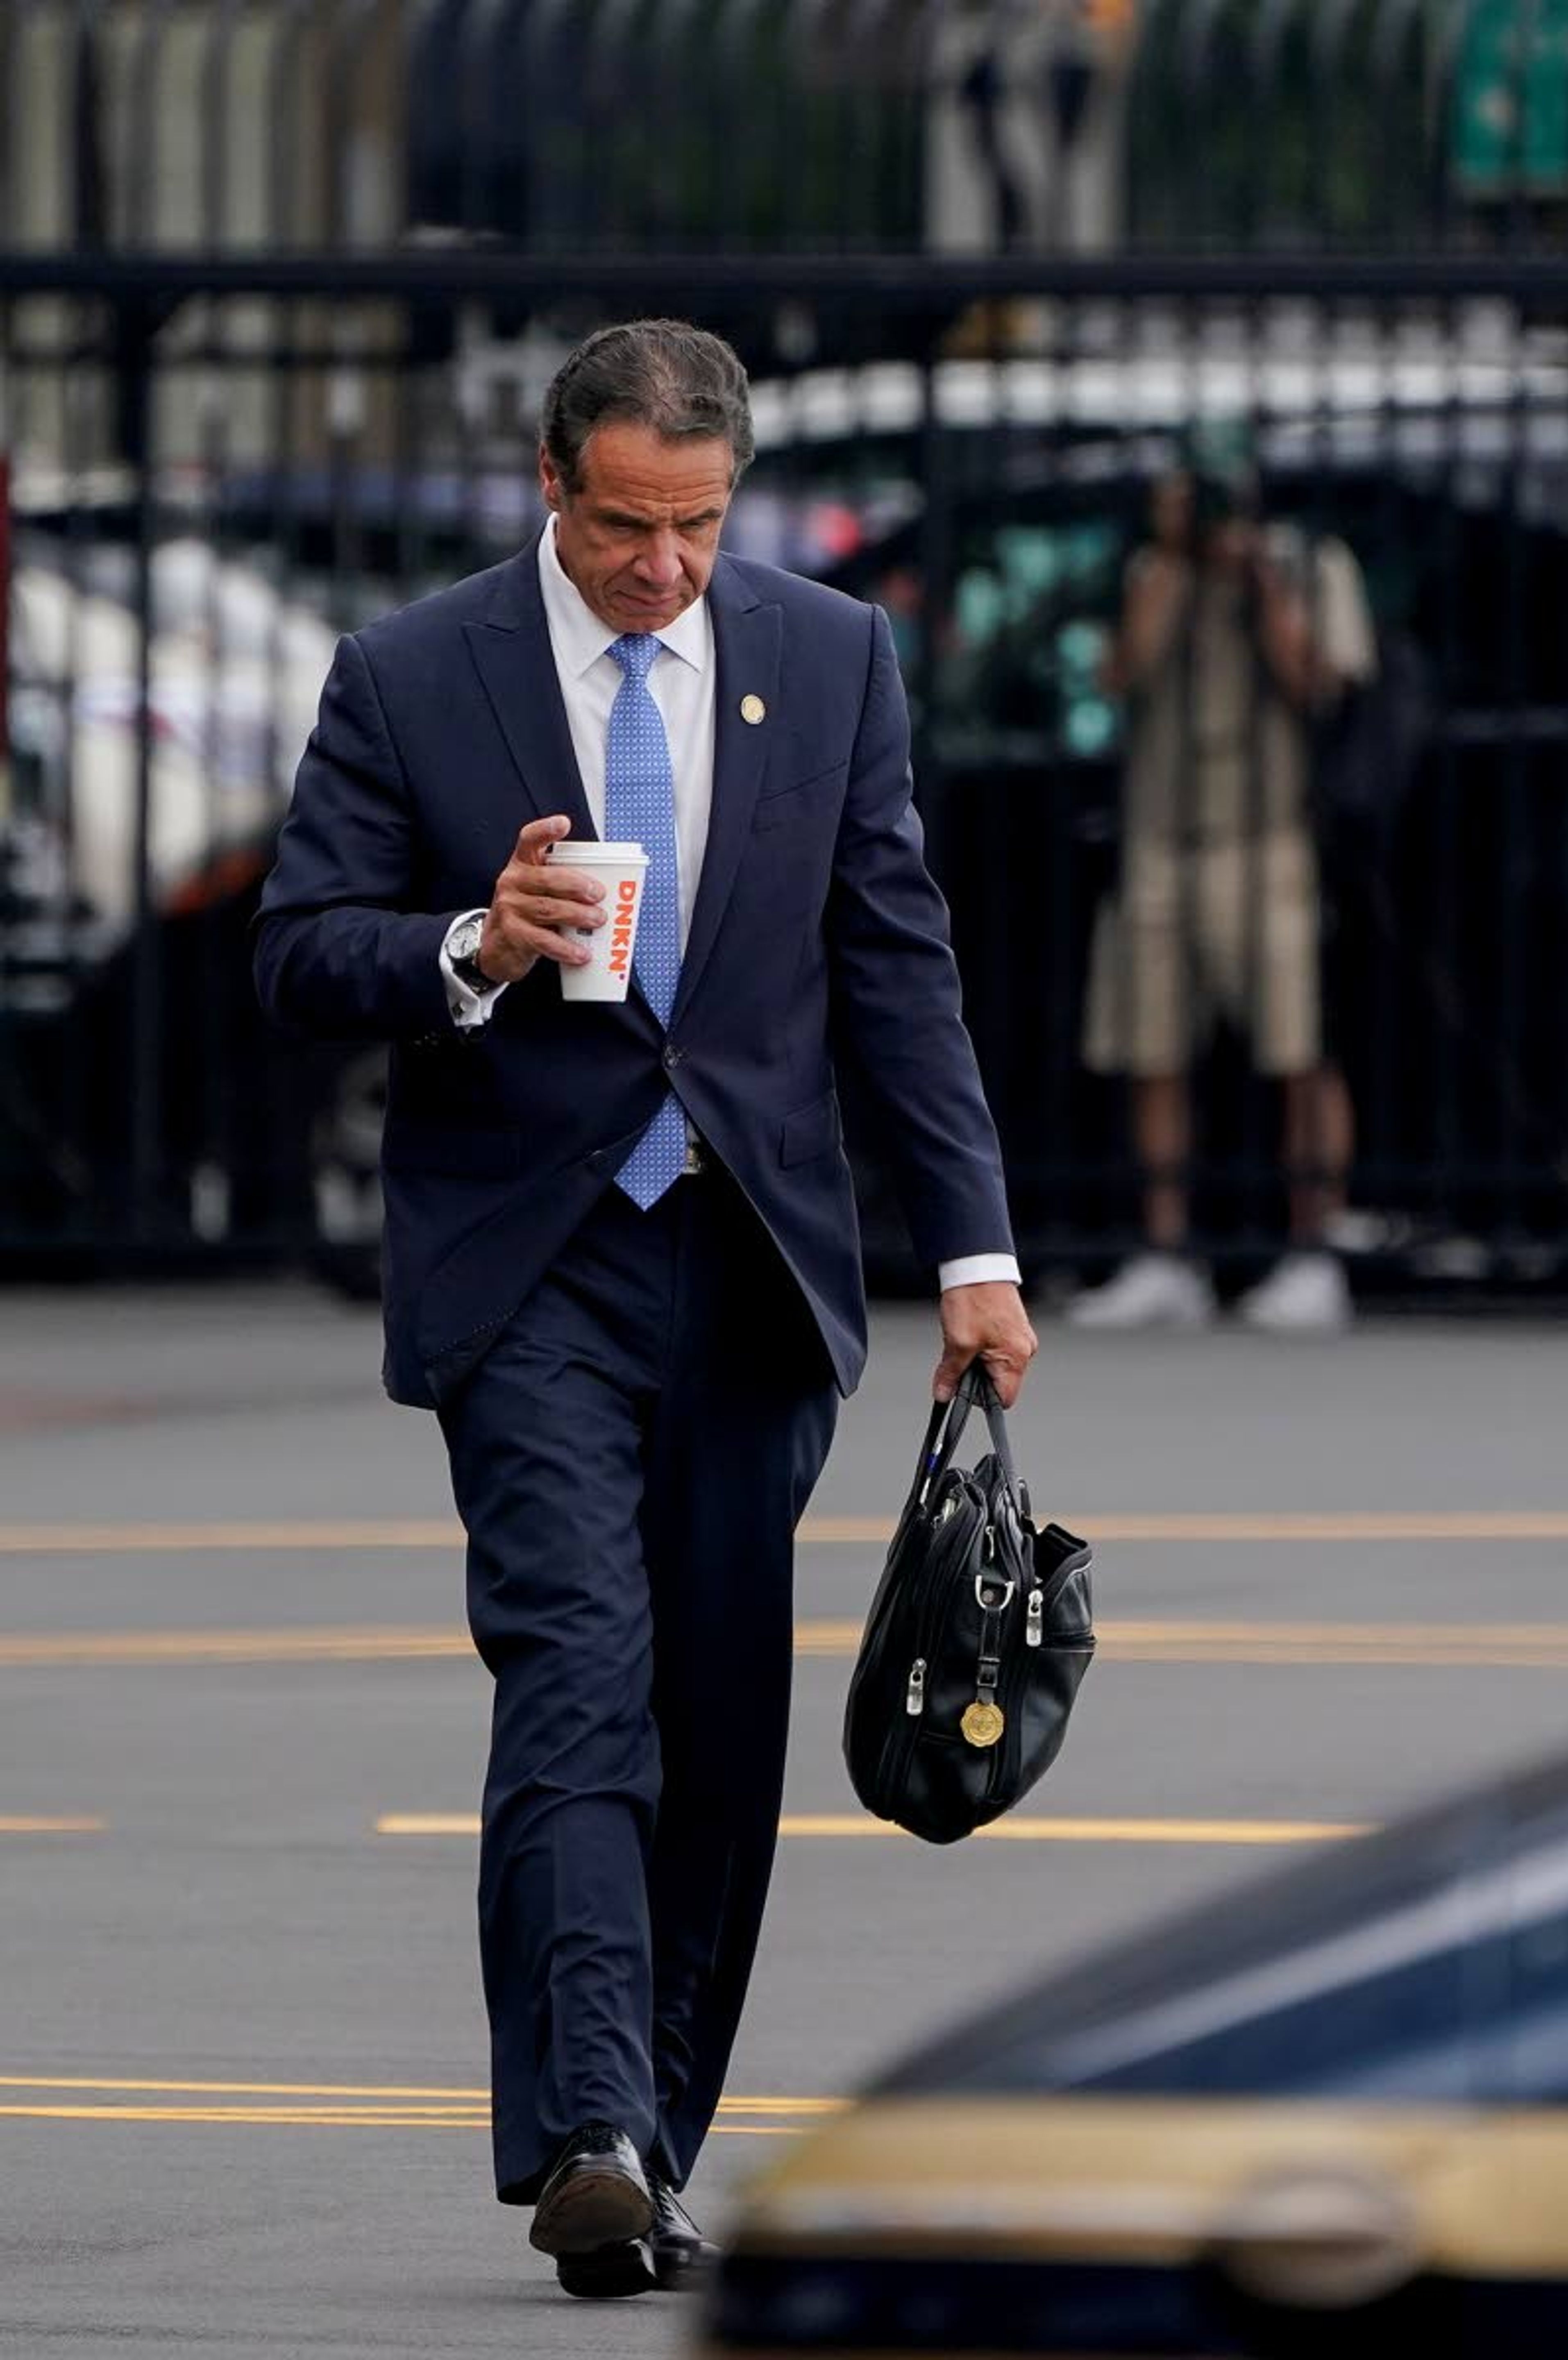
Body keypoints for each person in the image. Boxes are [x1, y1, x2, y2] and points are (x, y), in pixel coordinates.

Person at [254, 320, 1035, 2299]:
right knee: (577, 1669)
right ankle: (588, 2121)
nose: (659, 568)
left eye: (693, 527)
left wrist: (973, 1253)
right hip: (530, 1267)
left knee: (713, 1712)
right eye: (621, 526)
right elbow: (293, 951)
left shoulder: (827, 657)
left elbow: (895, 967)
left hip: (750, 1264)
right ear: (548, 483)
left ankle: (651, 2140)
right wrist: (465, 940)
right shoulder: (412, 674)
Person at [1069, 467, 1376, 1332]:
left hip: (1270, 835)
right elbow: (1118, 675)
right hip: (1162, 836)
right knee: (1152, 1046)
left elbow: (1319, 682)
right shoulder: (1150, 572)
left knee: (1299, 1048)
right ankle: (1167, 1255)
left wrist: (1258, 579)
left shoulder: (1311, 565)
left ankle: (1315, 1252)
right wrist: (1172, 561)